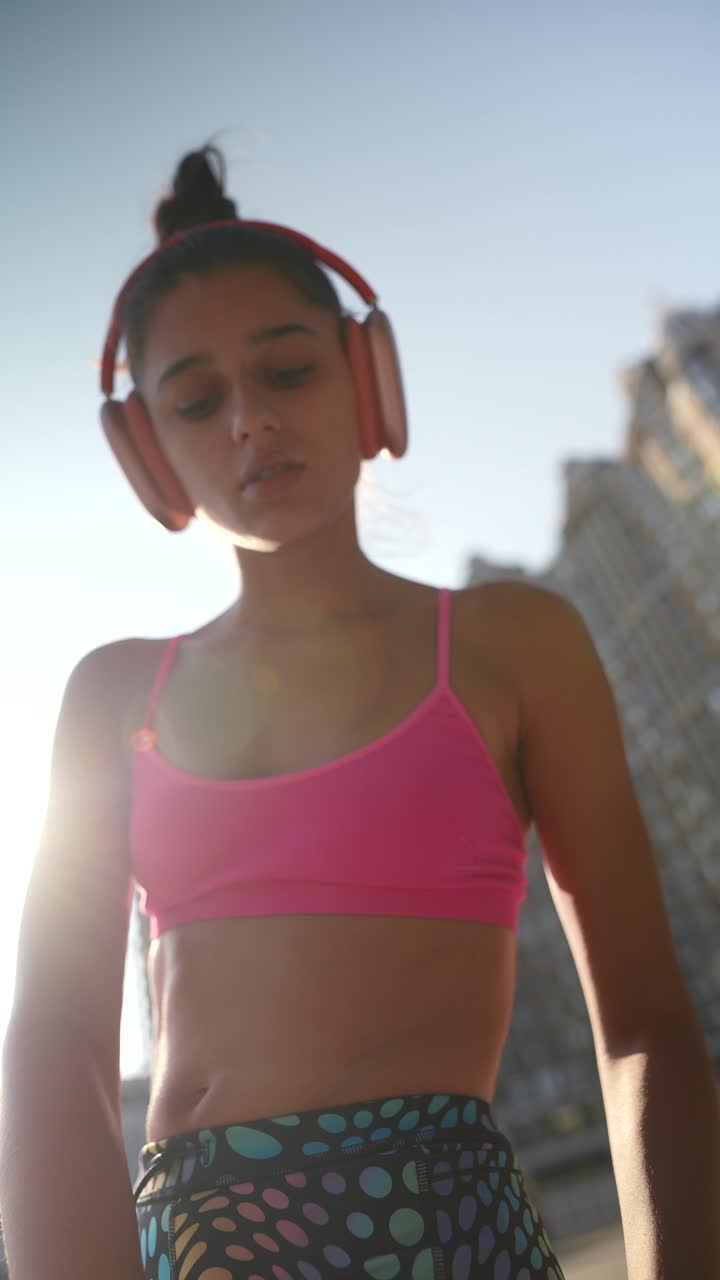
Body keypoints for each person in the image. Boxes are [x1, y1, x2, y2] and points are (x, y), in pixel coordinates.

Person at [1, 142, 573, 1279]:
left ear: (370, 380)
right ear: (148, 455)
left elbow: (650, 1026)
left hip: (465, 1237)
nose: (250, 420)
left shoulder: (514, 645)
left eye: (289, 371)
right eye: (197, 400)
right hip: (210, 1244)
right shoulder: (114, 696)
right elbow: (54, 1048)